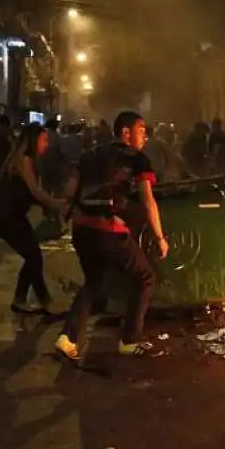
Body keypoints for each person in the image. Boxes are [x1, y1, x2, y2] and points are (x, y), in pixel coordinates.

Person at [56, 111, 169, 361]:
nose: (146, 136)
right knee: (145, 276)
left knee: (94, 282)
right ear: (126, 132)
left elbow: (69, 190)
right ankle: (130, 340)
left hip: (81, 227)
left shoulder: (90, 155)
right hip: (107, 229)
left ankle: (67, 338)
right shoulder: (137, 159)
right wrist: (160, 237)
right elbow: (148, 200)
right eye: (141, 130)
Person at [0, 124, 68, 314]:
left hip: (10, 215)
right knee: (33, 256)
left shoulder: (23, 159)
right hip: (7, 216)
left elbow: (30, 194)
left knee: (32, 255)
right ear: (33, 141)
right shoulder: (24, 160)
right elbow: (35, 191)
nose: (46, 144)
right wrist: (56, 203)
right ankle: (44, 302)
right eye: (44, 140)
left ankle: (20, 299)